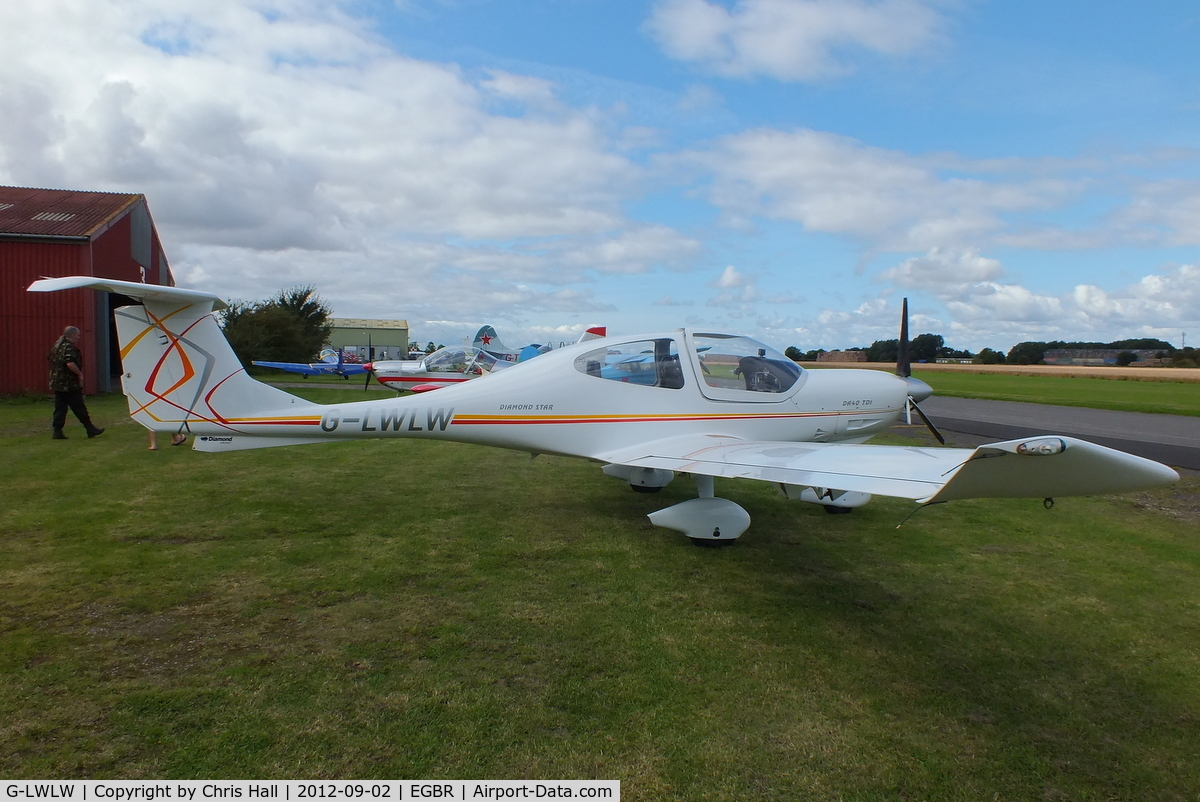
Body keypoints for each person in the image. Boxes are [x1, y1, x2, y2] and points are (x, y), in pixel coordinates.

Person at [49, 325, 104, 440]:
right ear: (72, 335)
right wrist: (79, 374)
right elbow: (70, 363)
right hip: (69, 383)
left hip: (57, 382)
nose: (78, 338)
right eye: (77, 336)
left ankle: (57, 431)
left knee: (60, 407)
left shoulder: (57, 346)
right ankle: (90, 428)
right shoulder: (69, 348)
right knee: (79, 406)